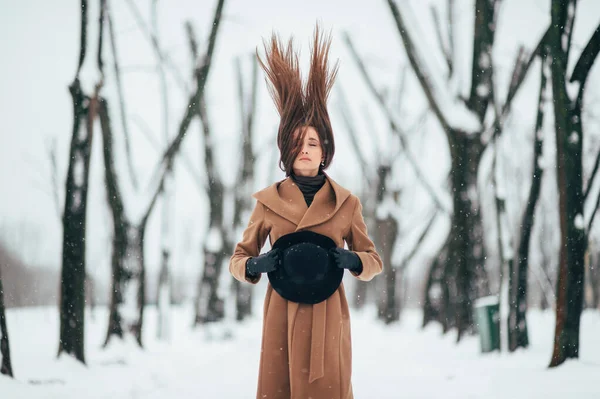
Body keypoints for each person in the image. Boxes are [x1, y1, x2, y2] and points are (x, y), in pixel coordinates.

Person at [229, 25, 382, 399]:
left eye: (313, 142)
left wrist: (354, 260)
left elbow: (374, 260)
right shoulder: (267, 201)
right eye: (298, 143)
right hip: (282, 309)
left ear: (325, 149)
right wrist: (253, 266)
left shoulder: (347, 203)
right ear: (286, 150)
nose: (306, 149)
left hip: (328, 311)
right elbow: (238, 257)